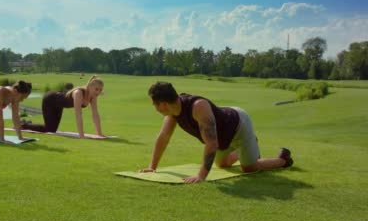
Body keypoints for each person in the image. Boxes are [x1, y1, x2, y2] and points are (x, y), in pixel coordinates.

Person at [139, 82, 293, 183]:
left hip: (239, 125)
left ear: (164, 104)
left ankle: (283, 160)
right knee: (222, 164)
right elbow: (163, 138)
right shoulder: (172, 113)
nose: (155, 108)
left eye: (155, 104)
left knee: (249, 168)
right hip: (223, 135)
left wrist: (201, 176)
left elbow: (212, 143)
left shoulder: (198, 107)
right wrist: (152, 167)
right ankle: (246, 148)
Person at [21, 76, 104, 138]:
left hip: (59, 105)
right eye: (96, 89)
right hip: (50, 100)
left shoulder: (93, 97)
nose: (98, 92)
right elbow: (78, 115)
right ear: (90, 86)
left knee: (52, 129)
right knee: (48, 129)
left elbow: (95, 114)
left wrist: (100, 134)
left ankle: (28, 123)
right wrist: (81, 135)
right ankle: (23, 125)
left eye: (100, 90)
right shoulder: (78, 93)